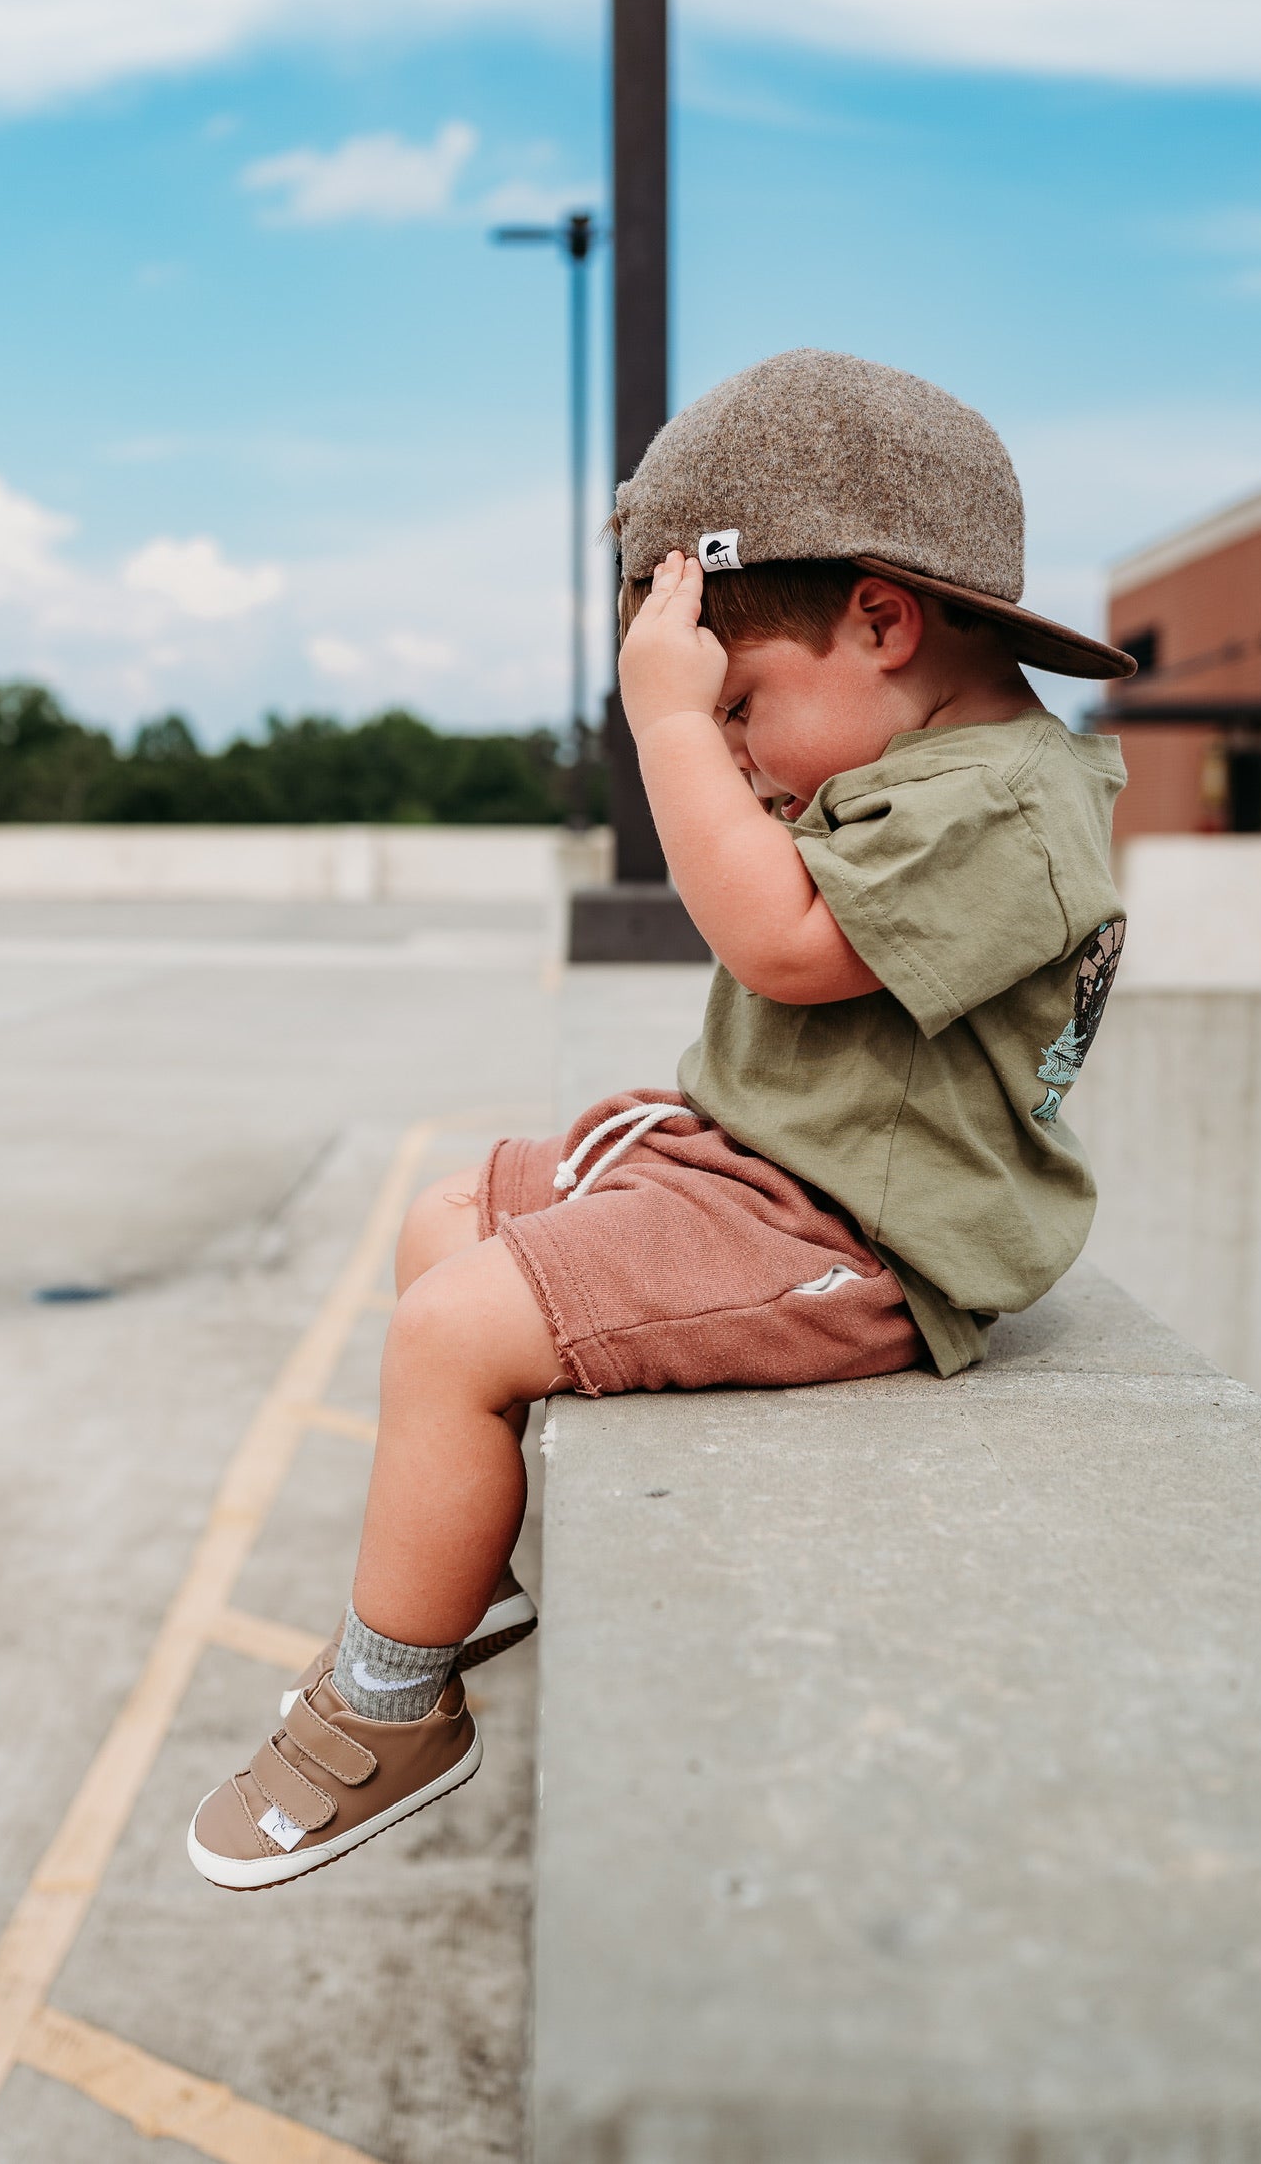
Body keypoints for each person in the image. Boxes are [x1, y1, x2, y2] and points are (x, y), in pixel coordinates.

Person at [187, 349, 1136, 1890]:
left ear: (886, 621)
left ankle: (390, 1705)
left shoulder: (1015, 800)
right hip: (753, 1164)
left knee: (453, 1334)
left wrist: (670, 730)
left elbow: (780, 943)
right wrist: (735, 741)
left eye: (746, 700)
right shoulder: (913, 752)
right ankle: (464, 1566)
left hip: (858, 1235)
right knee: (445, 1224)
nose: (741, 746)